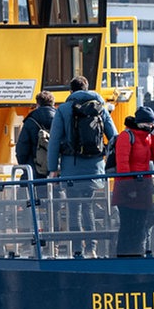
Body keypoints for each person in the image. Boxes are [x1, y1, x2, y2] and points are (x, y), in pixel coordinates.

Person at [48, 76, 114, 255]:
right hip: (95, 168)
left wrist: (53, 169)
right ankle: (92, 248)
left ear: (71, 91)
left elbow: (54, 141)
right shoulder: (101, 108)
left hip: (71, 168)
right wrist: (108, 161)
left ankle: (77, 250)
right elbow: (114, 136)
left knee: (73, 209)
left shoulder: (63, 109)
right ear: (87, 88)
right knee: (88, 207)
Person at [110, 109, 154, 257]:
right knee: (128, 224)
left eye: (152, 123)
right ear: (140, 122)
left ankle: (137, 254)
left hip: (143, 187)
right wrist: (129, 188)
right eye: (148, 123)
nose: (150, 126)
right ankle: (124, 256)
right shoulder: (126, 136)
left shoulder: (147, 137)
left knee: (141, 224)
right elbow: (123, 164)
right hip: (128, 188)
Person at [13, 91, 57, 179]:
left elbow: (22, 148)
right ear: (53, 104)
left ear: (37, 104)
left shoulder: (30, 121)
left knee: (32, 191)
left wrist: (25, 165)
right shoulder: (59, 119)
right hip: (56, 169)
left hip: (33, 169)